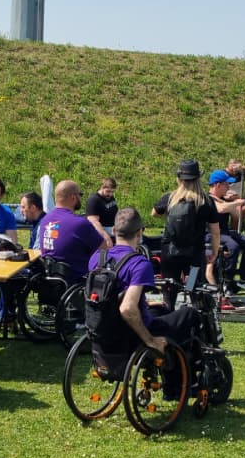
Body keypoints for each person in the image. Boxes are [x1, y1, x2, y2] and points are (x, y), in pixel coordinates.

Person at [90, 208, 201, 373]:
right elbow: (127, 308)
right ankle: (179, 379)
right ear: (139, 233)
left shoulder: (97, 258)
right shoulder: (139, 264)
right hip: (132, 334)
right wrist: (150, 340)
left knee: (160, 308)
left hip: (103, 329)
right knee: (190, 314)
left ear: (114, 230)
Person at [152, 160, 223, 307]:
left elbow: (154, 213)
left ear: (179, 179)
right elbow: (215, 231)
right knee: (193, 287)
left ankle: (168, 312)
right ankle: (195, 311)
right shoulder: (206, 201)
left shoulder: (170, 198)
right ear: (198, 178)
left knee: (169, 287)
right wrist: (214, 251)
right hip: (194, 254)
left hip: (170, 252)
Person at [38, 180, 107, 282]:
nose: (81, 198)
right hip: (77, 281)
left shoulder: (45, 220)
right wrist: (96, 224)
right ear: (73, 197)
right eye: (80, 194)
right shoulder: (80, 223)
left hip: (51, 281)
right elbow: (104, 248)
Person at [207, 169, 245, 292]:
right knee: (233, 246)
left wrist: (236, 201)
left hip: (224, 232)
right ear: (218, 185)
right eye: (227, 184)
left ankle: (244, 277)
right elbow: (221, 209)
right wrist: (237, 202)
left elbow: (237, 216)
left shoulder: (225, 200)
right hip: (210, 233)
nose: (229, 187)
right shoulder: (208, 199)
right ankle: (227, 280)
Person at [84, 178, 120, 243]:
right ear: (102, 187)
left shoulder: (109, 197)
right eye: (108, 191)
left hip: (114, 226)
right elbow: (94, 222)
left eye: (112, 192)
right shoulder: (94, 200)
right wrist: (106, 236)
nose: (110, 194)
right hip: (104, 229)